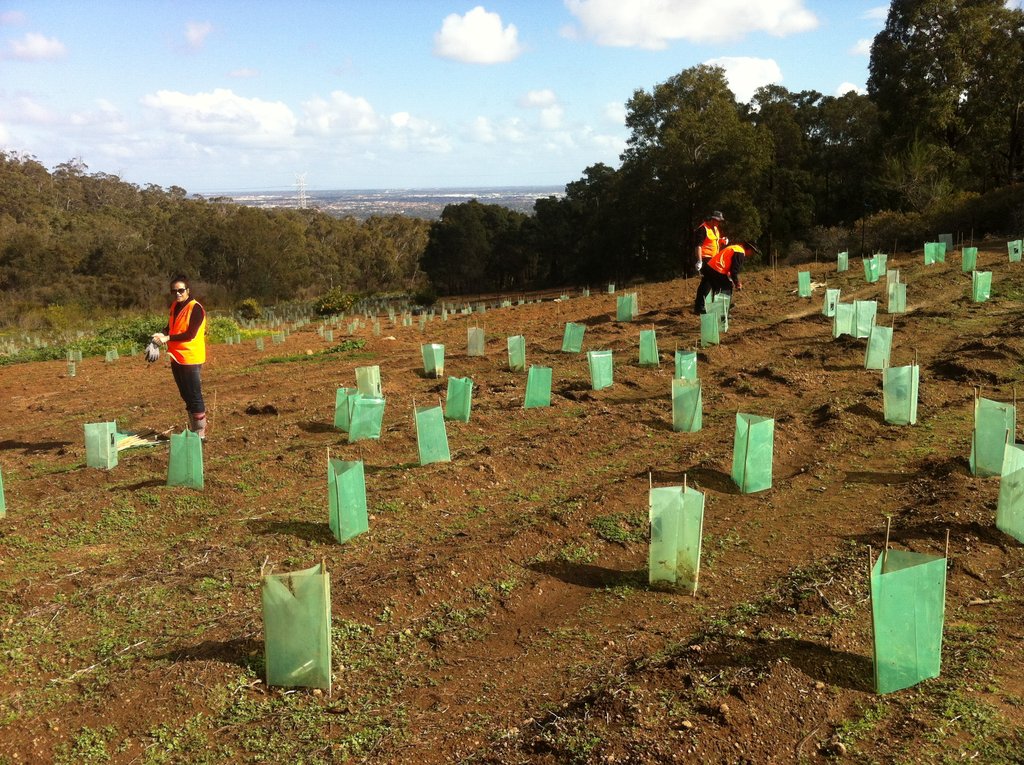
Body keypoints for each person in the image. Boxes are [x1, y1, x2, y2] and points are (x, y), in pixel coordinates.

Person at [151, 275, 208, 438]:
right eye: (174, 291)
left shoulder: (195, 308)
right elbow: (171, 327)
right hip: (176, 357)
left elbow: (190, 334)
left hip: (190, 357)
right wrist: (160, 334)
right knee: (185, 394)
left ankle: (200, 431)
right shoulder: (175, 306)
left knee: (194, 394)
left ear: (188, 291)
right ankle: (194, 427)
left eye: (181, 290)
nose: (177, 293)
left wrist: (167, 338)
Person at [693, 241, 759, 314]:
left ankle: (700, 308)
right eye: (752, 252)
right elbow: (734, 271)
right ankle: (722, 310)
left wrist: (731, 278)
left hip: (711, 266)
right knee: (726, 288)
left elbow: (729, 265)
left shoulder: (735, 247)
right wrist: (737, 283)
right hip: (717, 269)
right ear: (749, 249)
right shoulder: (740, 252)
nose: (751, 254)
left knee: (709, 287)